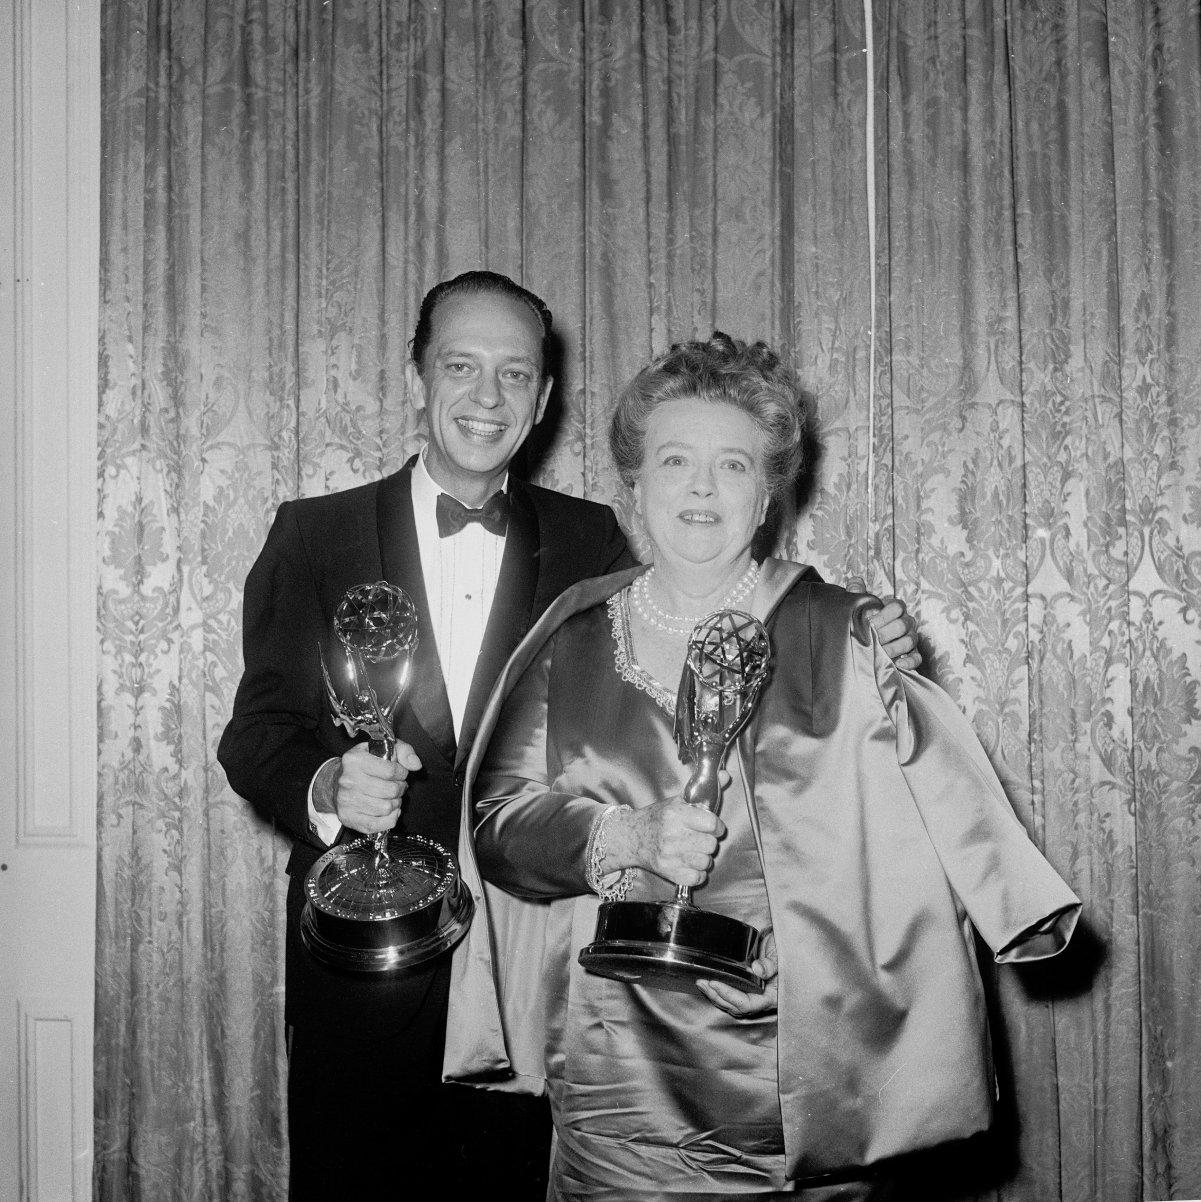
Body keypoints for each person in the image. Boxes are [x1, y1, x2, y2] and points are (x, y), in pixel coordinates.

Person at [217, 276, 920, 1199]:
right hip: (368, 967)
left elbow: (719, 597)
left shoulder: (596, 539)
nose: (486, 397)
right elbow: (254, 732)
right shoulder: (313, 534)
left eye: (515, 374)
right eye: (460, 367)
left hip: (537, 973)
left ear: (544, 398)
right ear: (413, 377)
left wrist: (851, 623)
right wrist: (324, 787)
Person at [451, 332, 1081, 1200]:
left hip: (793, 1090)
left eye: (734, 465)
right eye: (674, 460)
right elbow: (494, 827)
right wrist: (622, 834)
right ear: (635, 485)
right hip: (613, 1086)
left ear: (766, 498)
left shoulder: (840, 633)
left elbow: (923, 830)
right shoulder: (570, 636)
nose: (701, 487)